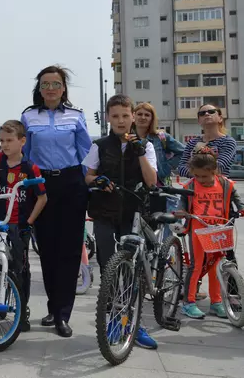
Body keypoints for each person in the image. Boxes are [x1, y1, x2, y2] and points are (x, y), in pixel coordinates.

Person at [21, 65, 91, 338]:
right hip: (42, 186)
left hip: (72, 183)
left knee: (70, 251)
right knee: (47, 250)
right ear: (39, 89)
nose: (50, 89)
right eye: (45, 84)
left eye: (56, 84)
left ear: (64, 89)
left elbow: (87, 152)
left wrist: (91, 184)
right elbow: (25, 153)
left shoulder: (76, 116)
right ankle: (52, 307)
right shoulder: (29, 117)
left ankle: (64, 314)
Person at [83, 94, 158, 349]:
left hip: (134, 213)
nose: (121, 121)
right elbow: (88, 177)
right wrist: (97, 181)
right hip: (104, 211)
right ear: (108, 118)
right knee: (109, 266)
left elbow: (151, 182)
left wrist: (139, 153)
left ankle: (136, 324)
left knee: (132, 268)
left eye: (125, 115)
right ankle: (115, 318)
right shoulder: (100, 145)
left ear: (133, 117)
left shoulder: (146, 146)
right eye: (115, 116)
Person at [0, 120, 47, 332]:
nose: (4, 145)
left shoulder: (30, 168)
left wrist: (29, 223)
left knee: (19, 268)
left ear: (22, 141)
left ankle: (21, 310)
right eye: (2, 140)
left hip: (19, 224)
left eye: (9, 140)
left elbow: (42, 199)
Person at [178, 147, 244, 319]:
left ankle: (216, 302)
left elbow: (236, 198)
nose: (201, 180)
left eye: (205, 176)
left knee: (217, 267)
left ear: (214, 171)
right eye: (197, 176)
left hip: (218, 229)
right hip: (198, 230)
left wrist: (241, 209)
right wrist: (181, 211)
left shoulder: (224, 184)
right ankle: (188, 302)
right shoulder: (191, 185)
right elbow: (182, 201)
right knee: (196, 265)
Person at [178, 104, 237, 177]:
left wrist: (195, 171)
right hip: (194, 187)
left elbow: (218, 167)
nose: (206, 114)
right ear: (199, 121)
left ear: (220, 118)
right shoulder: (192, 142)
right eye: (202, 113)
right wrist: (203, 173)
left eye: (211, 111)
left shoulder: (228, 141)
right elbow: (181, 168)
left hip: (218, 187)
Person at [133, 103, 185, 186]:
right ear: (133, 116)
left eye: (147, 115)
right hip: (134, 185)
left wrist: (167, 166)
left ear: (152, 119)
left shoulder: (161, 137)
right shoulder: (127, 138)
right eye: (139, 114)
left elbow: (184, 152)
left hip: (160, 184)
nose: (143, 117)